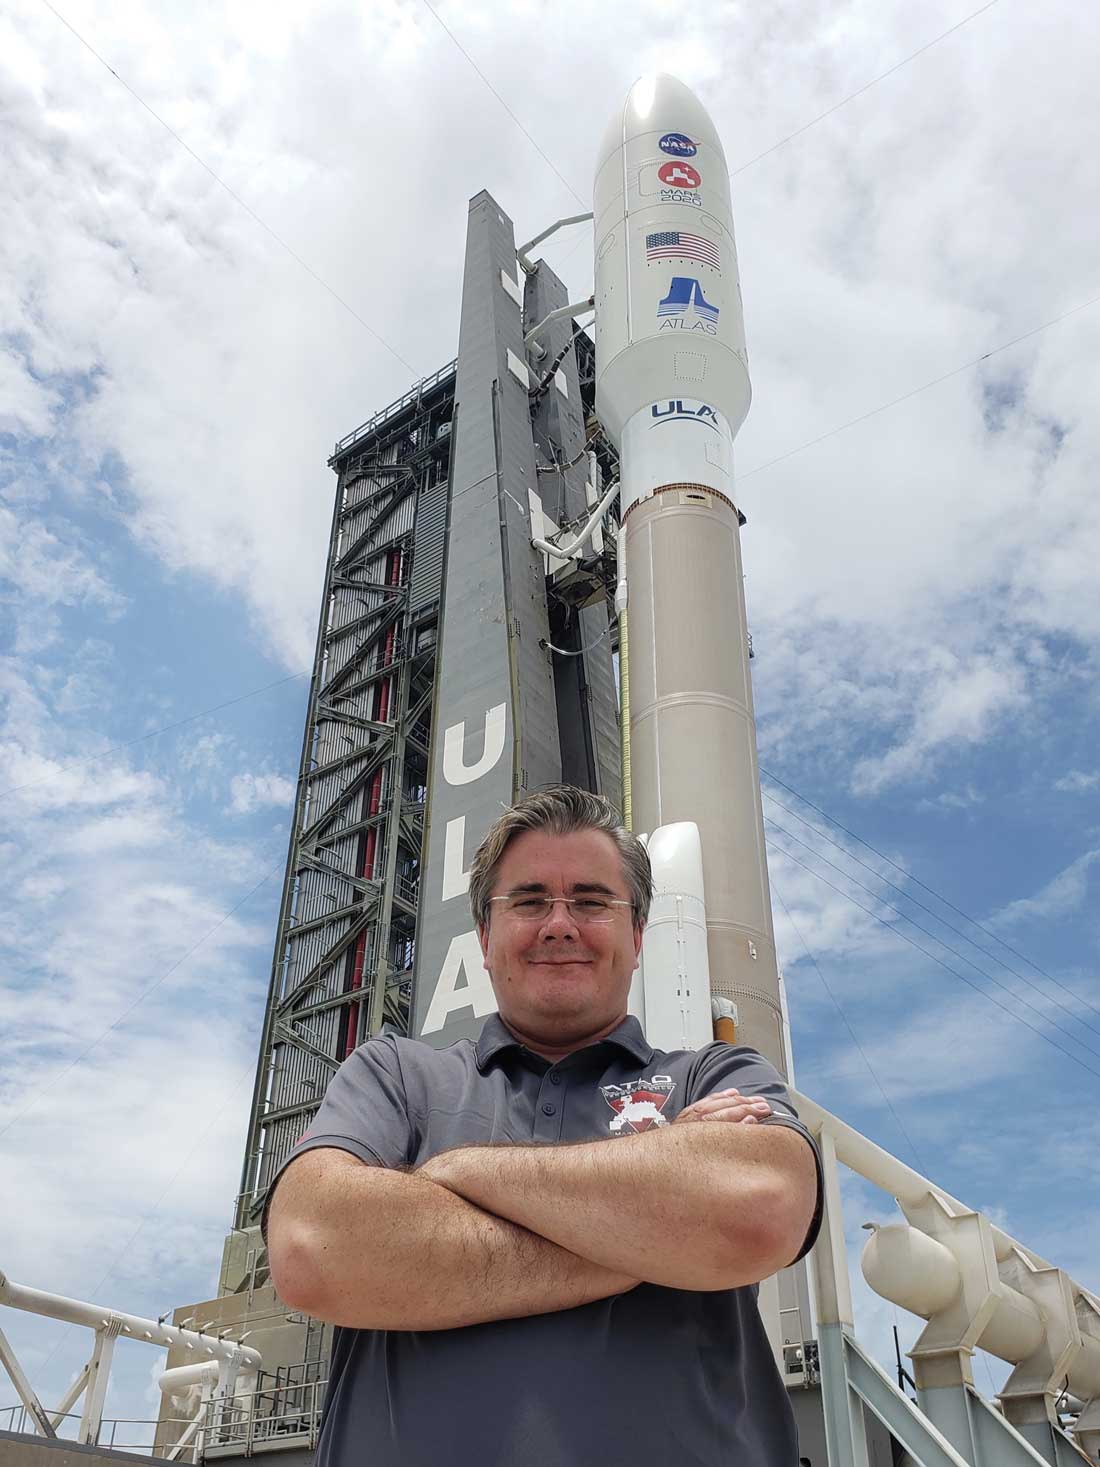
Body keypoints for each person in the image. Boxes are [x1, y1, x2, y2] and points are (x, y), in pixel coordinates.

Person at [265, 785, 823, 1466]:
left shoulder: (716, 1075)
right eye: (529, 901)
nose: (560, 923)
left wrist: (456, 1172)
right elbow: (311, 1245)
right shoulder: (397, 1076)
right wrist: (656, 1221)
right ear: (485, 936)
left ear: (637, 935)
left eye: (591, 901)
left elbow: (761, 1212)